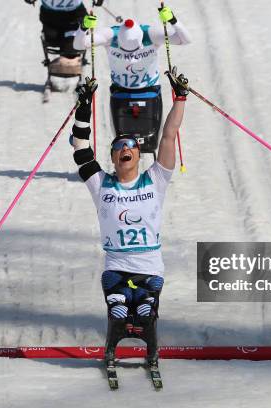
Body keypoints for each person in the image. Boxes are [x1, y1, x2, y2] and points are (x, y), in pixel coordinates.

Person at [70, 67, 189, 368]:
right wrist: (83, 107)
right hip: (116, 266)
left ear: (139, 155)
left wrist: (180, 98)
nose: (125, 149)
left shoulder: (155, 179)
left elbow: (169, 134)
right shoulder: (102, 184)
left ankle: (150, 349)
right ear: (112, 158)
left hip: (150, 265)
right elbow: (80, 148)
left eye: (131, 147)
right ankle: (113, 346)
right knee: (119, 308)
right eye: (119, 147)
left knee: (146, 312)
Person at [73, 7, 191, 151]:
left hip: (149, 90)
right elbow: (78, 45)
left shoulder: (151, 34)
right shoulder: (110, 35)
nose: (132, 57)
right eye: (126, 51)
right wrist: (83, 28)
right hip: (120, 91)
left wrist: (173, 20)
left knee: (151, 141)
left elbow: (185, 39)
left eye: (135, 50)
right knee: (120, 140)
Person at [23, 0, 104, 59]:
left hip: (74, 17)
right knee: (52, 40)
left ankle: (70, 58)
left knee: (72, 51)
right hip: (51, 19)